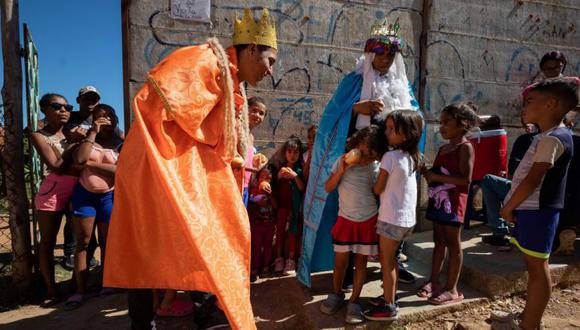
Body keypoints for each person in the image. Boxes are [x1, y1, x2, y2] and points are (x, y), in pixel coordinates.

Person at [103, 8, 277, 330]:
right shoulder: (204, 62)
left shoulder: (233, 82)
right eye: (270, 61)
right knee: (152, 248)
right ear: (251, 48)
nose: (271, 71)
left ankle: (199, 309)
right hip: (157, 168)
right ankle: (145, 322)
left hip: (180, 170)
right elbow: (157, 112)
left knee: (210, 240)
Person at [299, 17, 423, 288]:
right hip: (361, 163)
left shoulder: (403, 85)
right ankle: (350, 268)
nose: (385, 59)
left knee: (391, 212)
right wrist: (356, 109)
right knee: (357, 213)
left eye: (391, 53)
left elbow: (417, 119)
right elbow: (330, 118)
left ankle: (393, 261)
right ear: (370, 53)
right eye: (380, 53)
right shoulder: (353, 82)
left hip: (391, 164)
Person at [491, 79, 578, 330]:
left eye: (530, 101)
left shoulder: (552, 139)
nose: (524, 106)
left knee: (538, 270)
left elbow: (532, 180)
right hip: (532, 211)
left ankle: (529, 324)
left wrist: (507, 208)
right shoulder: (547, 136)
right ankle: (528, 317)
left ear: (551, 104)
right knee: (534, 267)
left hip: (538, 212)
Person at [319, 126, 384, 324]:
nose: (365, 158)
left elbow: (377, 191)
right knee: (340, 264)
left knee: (361, 263)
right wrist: (343, 169)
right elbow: (328, 187)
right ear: (355, 146)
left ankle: (354, 301)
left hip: (368, 219)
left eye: (371, 155)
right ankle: (336, 294)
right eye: (362, 152)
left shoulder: (376, 166)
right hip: (345, 219)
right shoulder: (341, 161)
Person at [363, 110, 424, 321]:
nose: (387, 133)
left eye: (391, 129)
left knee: (387, 262)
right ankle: (389, 296)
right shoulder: (413, 157)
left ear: (406, 134)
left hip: (391, 219)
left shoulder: (389, 157)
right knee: (393, 260)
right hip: (406, 220)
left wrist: (372, 185)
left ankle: (388, 306)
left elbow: (378, 189)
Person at [418, 102, 477, 305]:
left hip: (453, 204)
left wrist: (435, 176)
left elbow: (465, 180)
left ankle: (452, 289)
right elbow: (436, 177)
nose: (441, 127)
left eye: (446, 122)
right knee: (439, 242)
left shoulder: (465, 148)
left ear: (463, 124)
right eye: (440, 122)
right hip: (439, 202)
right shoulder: (444, 148)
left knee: (453, 244)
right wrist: (426, 173)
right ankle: (434, 282)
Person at [65, 104, 122, 310]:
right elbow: (78, 158)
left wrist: (89, 166)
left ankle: (106, 283)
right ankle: (80, 290)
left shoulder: (120, 143)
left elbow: (121, 170)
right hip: (84, 195)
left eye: (110, 114)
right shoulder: (87, 139)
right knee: (84, 243)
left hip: (108, 197)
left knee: (107, 242)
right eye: (101, 116)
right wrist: (93, 132)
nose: (106, 118)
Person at [30, 93, 79, 307]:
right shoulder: (40, 135)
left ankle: (76, 286)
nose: (64, 110)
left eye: (67, 107)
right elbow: (56, 166)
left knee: (83, 239)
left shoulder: (73, 132)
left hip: (78, 189)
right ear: (44, 109)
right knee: (48, 242)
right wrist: (71, 147)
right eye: (57, 106)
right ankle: (51, 289)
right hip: (53, 192)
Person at [480, 121, 538, 247]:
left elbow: (514, 171)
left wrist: (508, 208)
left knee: (488, 180)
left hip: (529, 191)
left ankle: (499, 232)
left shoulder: (529, 140)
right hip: (552, 196)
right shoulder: (566, 138)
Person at [273, 136, 305, 275]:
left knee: (293, 234)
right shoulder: (280, 169)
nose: (292, 155)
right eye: (290, 152)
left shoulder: (299, 170)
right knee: (279, 233)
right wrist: (279, 177)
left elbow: (302, 188)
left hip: (294, 209)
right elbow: (274, 186)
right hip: (281, 208)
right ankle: (279, 258)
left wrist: (295, 176)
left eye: (296, 153)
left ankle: (291, 260)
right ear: (285, 153)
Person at [249, 164, 276, 282]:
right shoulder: (254, 191)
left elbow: (276, 206)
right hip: (257, 225)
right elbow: (250, 204)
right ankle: (255, 268)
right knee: (256, 247)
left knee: (268, 246)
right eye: (262, 178)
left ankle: (265, 266)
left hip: (269, 225)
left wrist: (270, 196)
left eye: (267, 178)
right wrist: (257, 202)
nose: (265, 181)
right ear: (257, 179)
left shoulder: (272, 193)